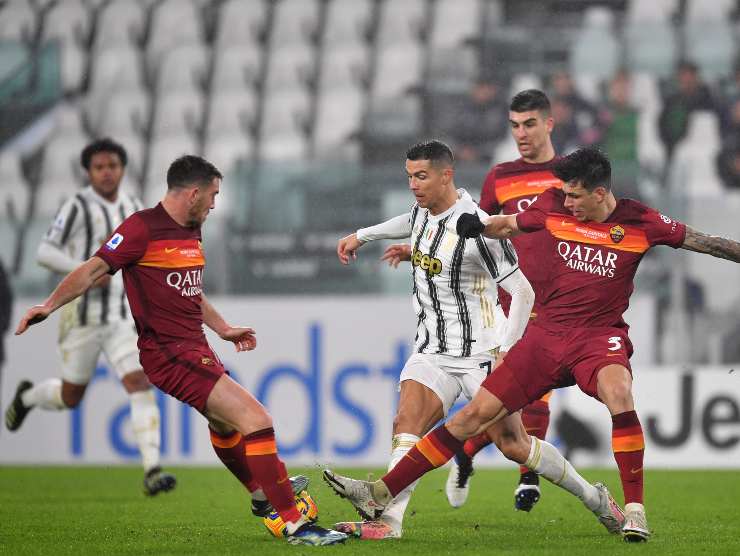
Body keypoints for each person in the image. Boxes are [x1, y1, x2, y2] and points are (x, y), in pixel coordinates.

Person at [322, 146, 740, 544]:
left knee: (619, 392)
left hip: (599, 337)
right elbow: (508, 224)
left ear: (600, 193)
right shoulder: (553, 203)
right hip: (544, 335)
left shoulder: (642, 221)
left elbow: (706, 242)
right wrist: (480, 226)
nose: (568, 202)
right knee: (473, 418)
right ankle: (379, 493)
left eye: (576, 196)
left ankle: (634, 508)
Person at [13, 155, 347, 546]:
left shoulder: (192, 229)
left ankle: (261, 495)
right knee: (257, 421)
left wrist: (222, 328)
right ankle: (295, 524)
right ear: (193, 193)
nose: (214, 204)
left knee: (225, 426)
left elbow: (189, 290)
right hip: (169, 353)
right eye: (213, 195)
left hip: (196, 347)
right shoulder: (141, 228)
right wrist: (47, 305)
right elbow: (92, 269)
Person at [4, 138, 176, 496]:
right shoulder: (77, 206)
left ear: (122, 168)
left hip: (120, 319)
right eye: (99, 167)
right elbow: (44, 252)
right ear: (89, 171)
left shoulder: (133, 207)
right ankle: (28, 398)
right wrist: (86, 271)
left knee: (139, 382)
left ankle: (152, 468)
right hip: (79, 318)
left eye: (112, 165)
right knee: (70, 397)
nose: (107, 172)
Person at [448, 88, 564, 514]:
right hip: (508, 305)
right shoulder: (499, 176)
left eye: (530, 123)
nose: (521, 133)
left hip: (556, 303)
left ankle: (484, 458)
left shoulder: (569, 174)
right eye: (515, 125)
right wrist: (415, 248)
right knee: (504, 398)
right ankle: (479, 455)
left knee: (539, 392)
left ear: (549, 123)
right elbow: (476, 231)